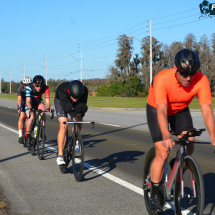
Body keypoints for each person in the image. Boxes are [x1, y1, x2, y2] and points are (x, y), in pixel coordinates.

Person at [146, 48, 215, 213]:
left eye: (192, 74)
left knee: (189, 145)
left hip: (180, 110)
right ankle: (155, 193)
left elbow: (206, 110)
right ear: (176, 69)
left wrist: (213, 135)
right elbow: (162, 110)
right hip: (157, 109)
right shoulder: (163, 78)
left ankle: (178, 162)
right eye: (184, 74)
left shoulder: (201, 80)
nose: (188, 78)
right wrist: (165, 135)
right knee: (162, 151)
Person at [55, 80, 88, 166]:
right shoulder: (62, 90)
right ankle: (60, 155)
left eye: (78, 97)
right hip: (61, 102)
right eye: (74, 97)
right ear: (69, 92)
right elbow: (66, 105)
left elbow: (82, 105)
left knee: (78, 121)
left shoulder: (85, 91)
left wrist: (80, 114)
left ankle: (75, 141)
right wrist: (72, 112)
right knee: (64, 125)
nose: (76, 98)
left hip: (75, 105)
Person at [25, 75, 52, 145]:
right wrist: (30, 109)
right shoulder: (29, 87)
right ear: (34, 84)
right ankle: (28, 136)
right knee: (31, 118)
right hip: (30, 101)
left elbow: (48, 102)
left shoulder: (46, 88)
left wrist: (48, 108)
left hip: (38, 100)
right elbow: (27, 101)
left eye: (41, 86)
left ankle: (42, 131)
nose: (39, 88)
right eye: (37, 85)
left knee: (43, 112)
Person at [17, 76, 32, 144]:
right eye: (25, 85)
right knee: (22, 116)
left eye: (28, 84)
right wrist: (20, 107)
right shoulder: (20, 87)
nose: (26, 86)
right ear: (23, 84)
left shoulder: (32, 86)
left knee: (31, 116)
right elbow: (19, 99)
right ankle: (20, 135)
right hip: (22, 101)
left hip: (29, 100)